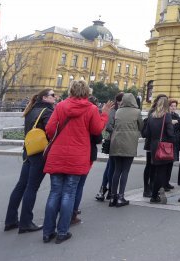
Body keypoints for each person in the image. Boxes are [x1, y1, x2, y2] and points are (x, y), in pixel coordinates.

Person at [42, 79, 112, 244]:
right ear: (87, 92)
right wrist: (104, 114)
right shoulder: (92, 108)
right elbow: (96, 130)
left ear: (71, 90)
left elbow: (50, 129)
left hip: (58, 154)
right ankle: (62, 232)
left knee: (54, 193)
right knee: (69, 194)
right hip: (78, 155)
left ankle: (47, 232)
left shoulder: (60, 106)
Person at [4, 88, 56, 234]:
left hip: (28, 151)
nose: (55, 97)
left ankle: (11, 220)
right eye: (52, 95)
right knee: (32, 187)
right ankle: (26, 222)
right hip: (40, 154)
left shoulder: (31, 110)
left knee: (21, 185)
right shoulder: (47, 112)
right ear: (45, 98)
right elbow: (51, 131)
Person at [107, 93, 142, 207]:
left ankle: (113, 196)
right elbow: (141, 126)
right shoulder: (136, 112)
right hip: (129, 143)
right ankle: (121, 196)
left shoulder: (118, 111)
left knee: (117, 170)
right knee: (125, 171)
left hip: (116, 143)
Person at [72, 96, 102, 225]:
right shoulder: (91, 113)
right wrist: (103, 116)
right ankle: (72, 213)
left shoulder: (63, 108)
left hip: (68, 151)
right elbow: (97, 136)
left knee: (63, 187)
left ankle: (64, 211)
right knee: (78, 185)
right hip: (86, 152)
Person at [142, 95, 176, 204]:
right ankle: (154, 195)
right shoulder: (167, 116)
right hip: (163, 146)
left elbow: (147, 133)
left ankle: (153, 192)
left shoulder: (152, 116)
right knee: (161, 172)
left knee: (154, 170)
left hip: (153, 145)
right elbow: (170, 133)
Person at [95, 92, 123, 201]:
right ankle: (106, 190)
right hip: (111, 140)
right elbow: (108, 126)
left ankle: (104, 190)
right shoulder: (114, 110)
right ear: (119, 101)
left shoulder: (119, 110)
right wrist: (118, 131)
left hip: (115, 140)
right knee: (111, 166)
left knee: (110, 165)